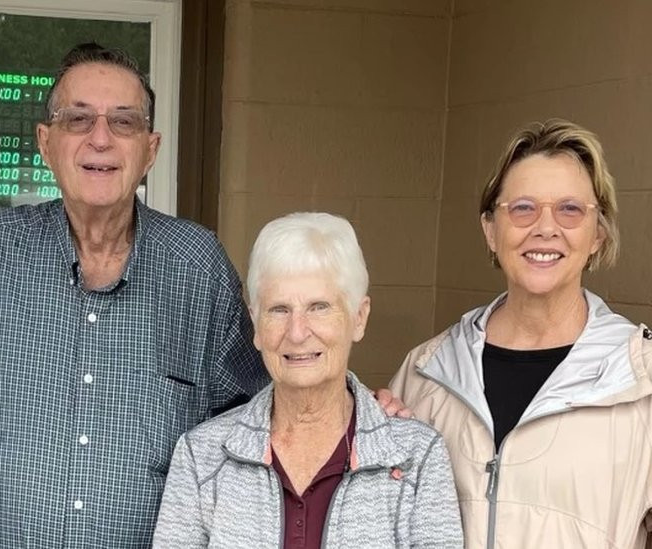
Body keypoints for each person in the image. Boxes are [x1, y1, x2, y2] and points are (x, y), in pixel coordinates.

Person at [0, 42, 268, 548]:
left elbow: (259, 413)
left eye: (123, 122)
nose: (100, 139)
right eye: (77, 119)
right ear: (45, 141)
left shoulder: (198, 267)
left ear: (151, 148)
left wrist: (358, 411)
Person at [390, 119, 652, 548]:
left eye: (570, 209)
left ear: (598, 235)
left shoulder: (639, 380)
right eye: (523, 208)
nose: (545, 227)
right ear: (491, 230)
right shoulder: (426, 374)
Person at [153, 212, 463, 548]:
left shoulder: (416, 456)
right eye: (279, 310)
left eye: (319, 307)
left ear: (359, 318)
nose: (297, 332)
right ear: (255, 325)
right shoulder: (203, 456)